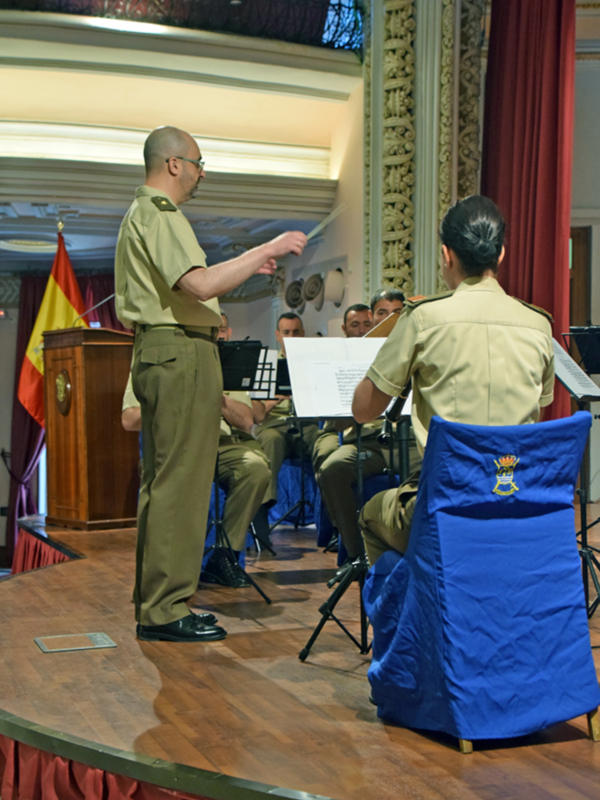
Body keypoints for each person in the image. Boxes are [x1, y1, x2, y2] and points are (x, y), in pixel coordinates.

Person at [114, 125, 307, 642]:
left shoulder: (146, 215)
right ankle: (165, 608)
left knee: (166, 483)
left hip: (168, 349)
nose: (202, 174)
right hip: (180, 351)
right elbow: (198, 284)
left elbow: (197, 284)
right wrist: (266, 245)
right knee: (182, 484)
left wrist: (246, 265)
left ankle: (158, 603)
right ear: (174, 164)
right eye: (199, 163)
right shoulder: (160, 212)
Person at [352, 195, 555, 566]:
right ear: (502, 253)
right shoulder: (539, 325)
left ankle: (418, 617)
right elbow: (536, 418)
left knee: (370, 515)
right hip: (513, 502)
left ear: (446, 255)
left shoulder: (423, 319)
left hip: (445, 507)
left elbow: (364, 410)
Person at [121, 374, 271, 589]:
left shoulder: (222, 361)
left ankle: (224, 556)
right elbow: (129, 419)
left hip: (221, 442)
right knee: (171, 477)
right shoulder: (154, 354)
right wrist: (180, 402)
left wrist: (216, 397)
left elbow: (246, 420)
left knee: (255, 470)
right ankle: (170, 572)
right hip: (175, 444)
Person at [312, 297, 389, 572]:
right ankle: (354, 552)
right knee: (329, 461)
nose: (386, 320)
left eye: (395, 314)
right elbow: (337, 414)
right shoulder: (343, 354)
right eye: (382, 313)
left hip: (395, 437)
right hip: (353, 430)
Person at [254, 312, 319, 508]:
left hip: (306, 425)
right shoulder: (265, 364)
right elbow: (255, 415)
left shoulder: (314, 364)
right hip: (274, 425)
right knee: (272, 440)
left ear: (303, 334)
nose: (291, 337)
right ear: (277, 335)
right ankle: (264, 508)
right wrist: (274, 400)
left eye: (296, 332)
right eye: (286, 332)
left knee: (321, 439)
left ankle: (325, 506)